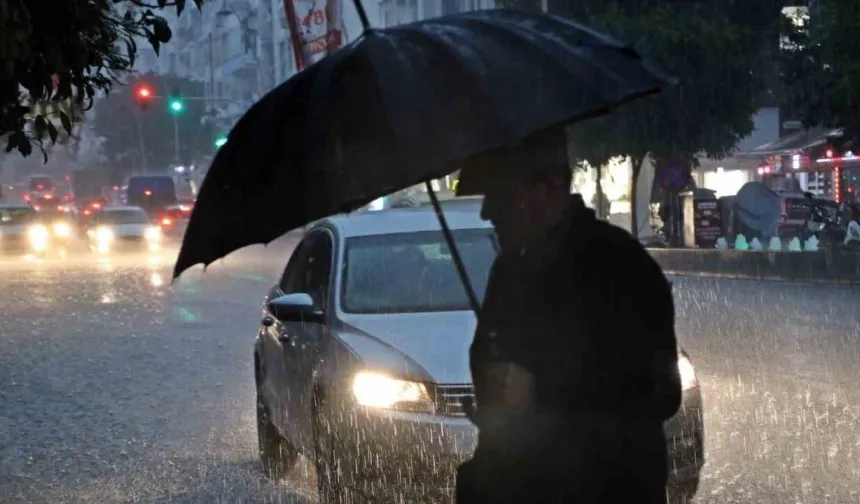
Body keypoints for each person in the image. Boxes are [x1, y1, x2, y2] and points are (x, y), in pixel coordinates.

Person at [454, 127, 682, 503]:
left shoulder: (620, 266)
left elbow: (659, 393)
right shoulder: (509, 271)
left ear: (551, 185)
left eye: (503, 195)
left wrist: (542, 392)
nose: (487, 212)